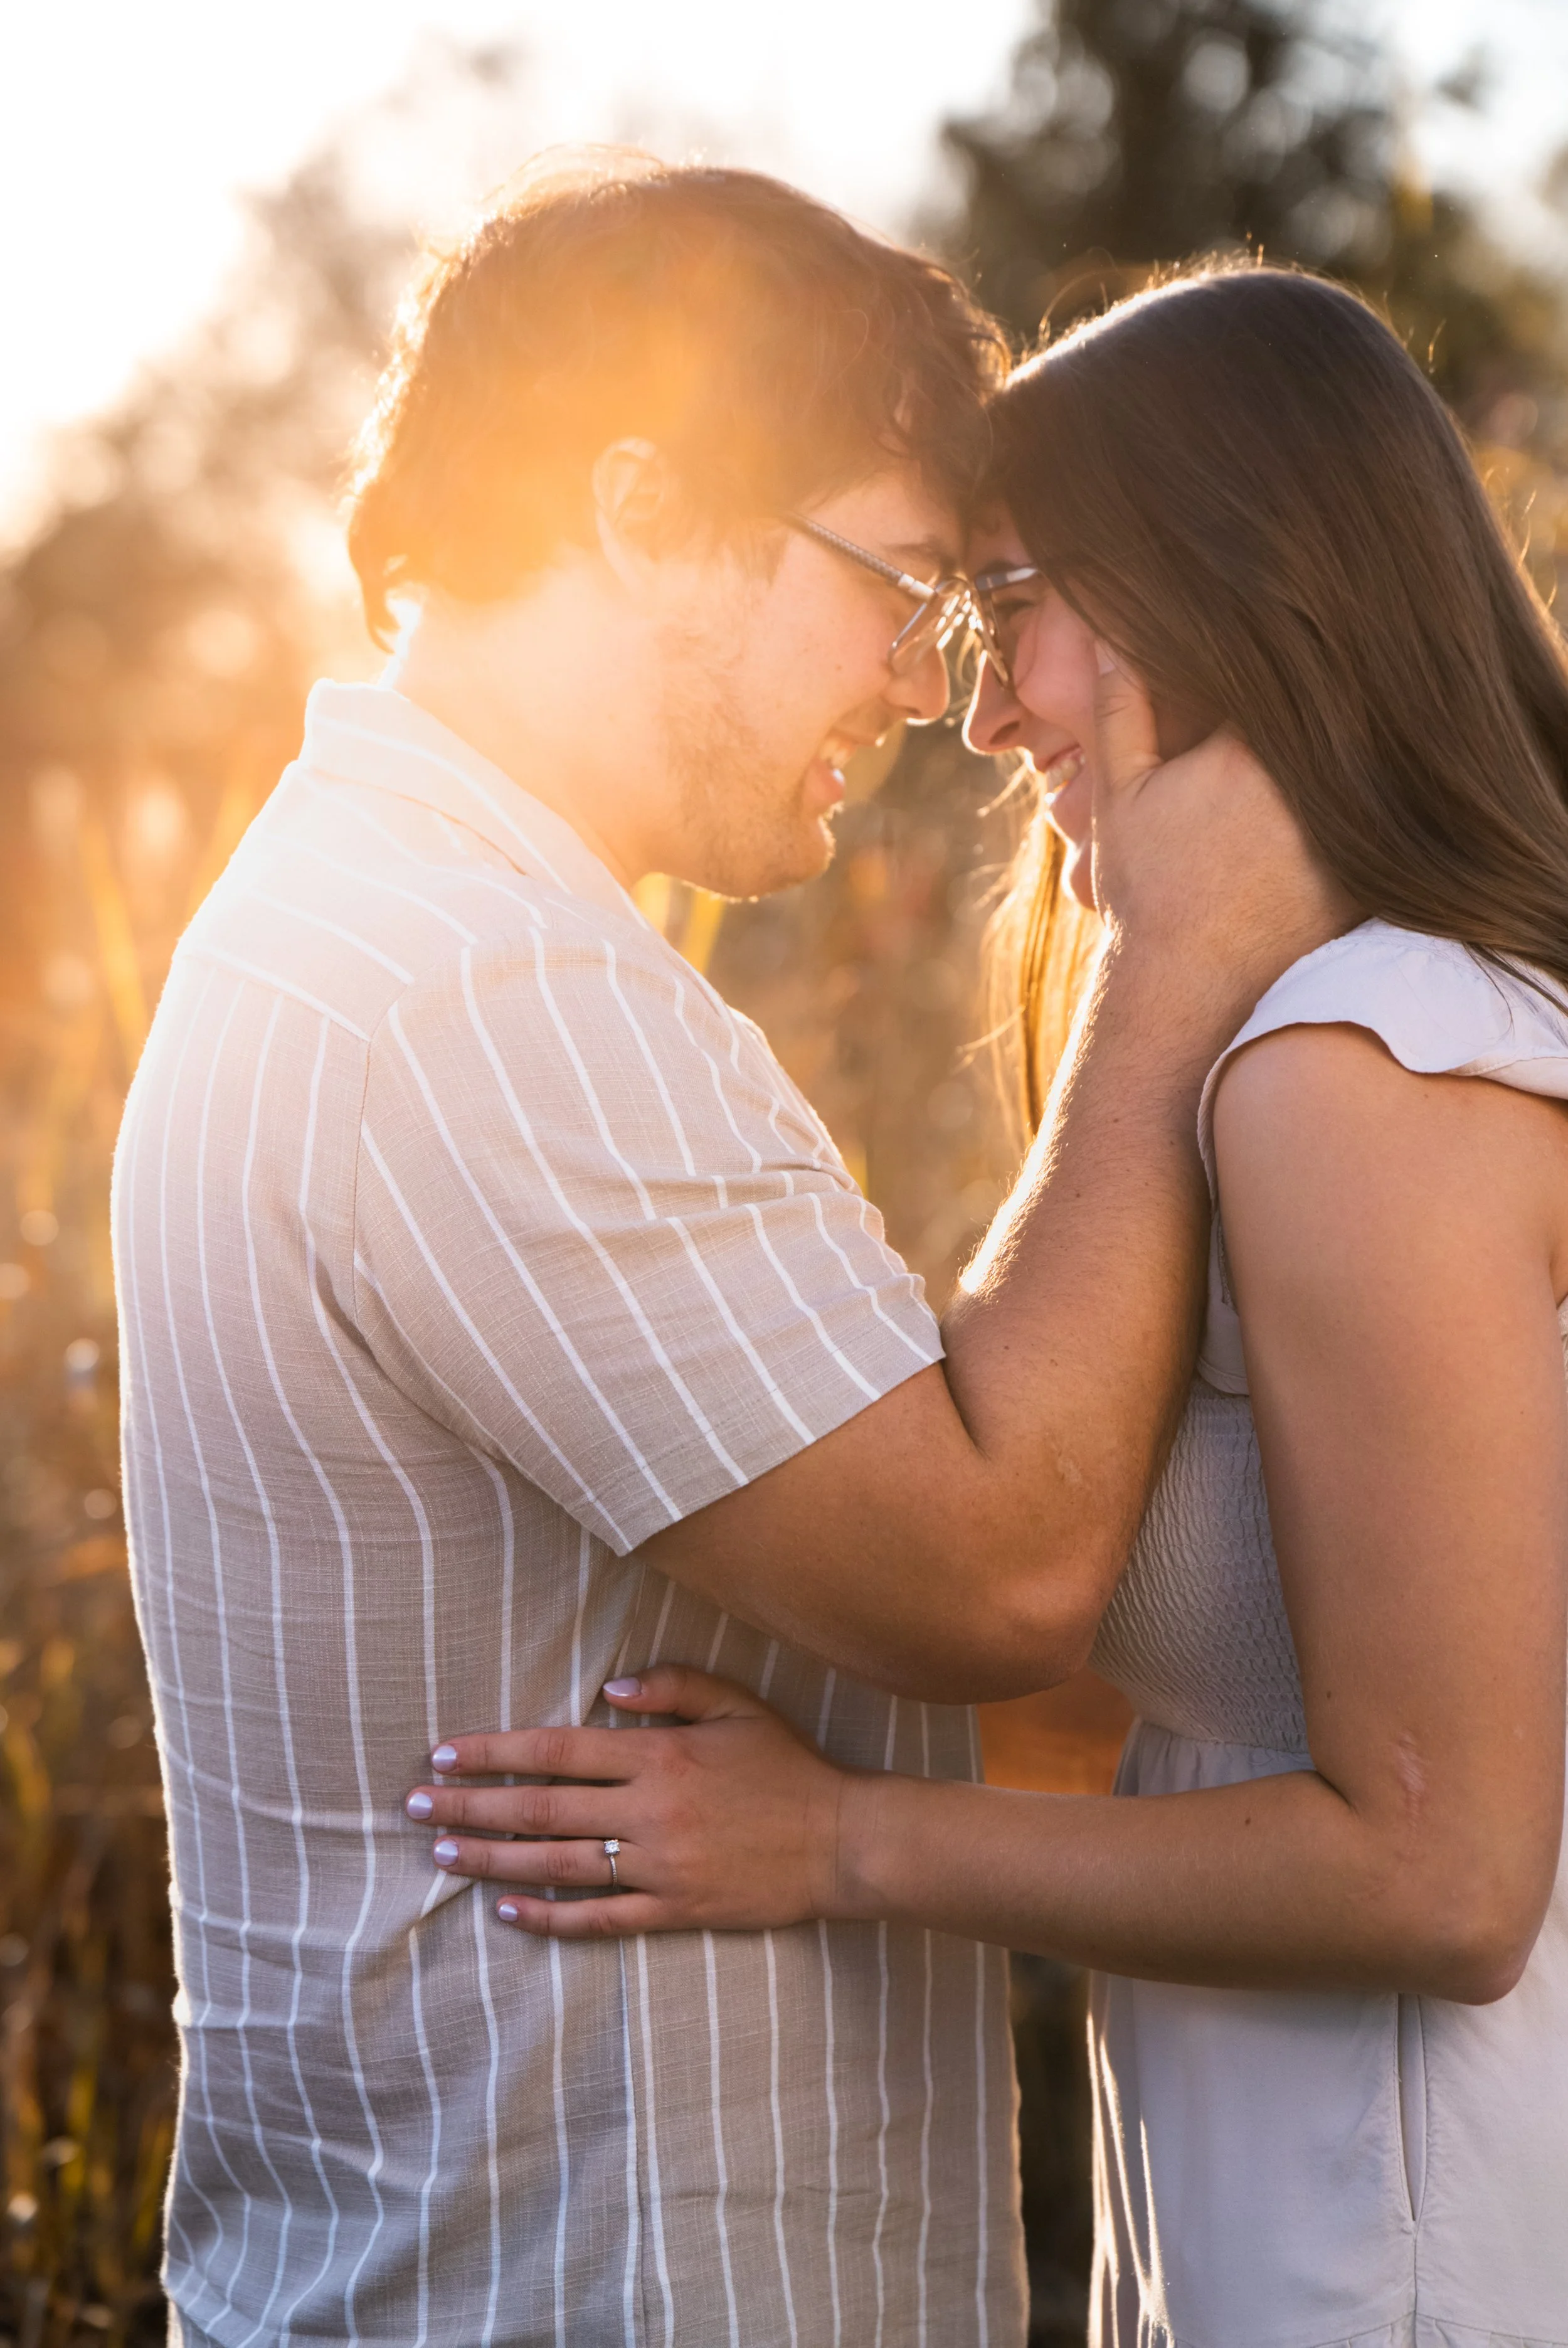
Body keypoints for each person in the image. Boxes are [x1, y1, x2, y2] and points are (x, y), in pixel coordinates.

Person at [114, 166, 1333, 2348]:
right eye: (893, 581)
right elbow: (991, 1568)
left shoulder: (414, 926)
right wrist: (1182, 952)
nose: (919, 680)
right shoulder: (476, 986)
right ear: (642, 500)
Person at [412, 265, 1568, 2348]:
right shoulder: (1404, 1024)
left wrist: (839, 1838)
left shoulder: (1356, 1070)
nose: (975, 701)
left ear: (1218, 587)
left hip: (1404, 2253)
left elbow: (1443, 1876)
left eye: (1013, 598)